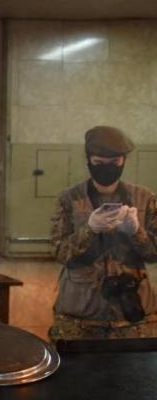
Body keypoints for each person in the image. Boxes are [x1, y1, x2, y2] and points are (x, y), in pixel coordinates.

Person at [50, 126, 157, 340]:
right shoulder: (69, 199)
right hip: (80, 317)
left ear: (123, 161)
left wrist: (136, 232)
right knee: (76, 374)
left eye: (114, 163)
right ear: (88, 160)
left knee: (138, 374)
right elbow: (60, 253)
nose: (107, 169)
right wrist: (89, 230)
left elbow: (154, 254)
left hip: (133, 316)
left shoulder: (144, 197)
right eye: (99, 163)